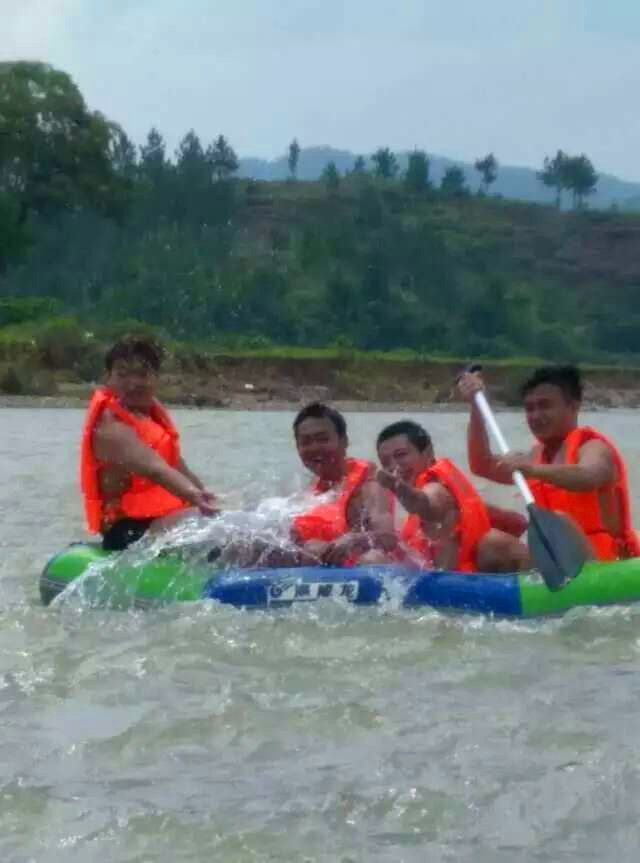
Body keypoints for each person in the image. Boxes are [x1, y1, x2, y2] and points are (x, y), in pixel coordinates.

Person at [457, 364, 640, 561]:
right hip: (556, 560)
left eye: (545, 406)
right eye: (530, 408)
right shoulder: (534, 457)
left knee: (561, 522)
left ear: (573, 406)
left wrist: (532, 470)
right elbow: (481, 464)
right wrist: (476, 407)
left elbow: (590, 475)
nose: (536, 416)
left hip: (605, 562)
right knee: (492, 544)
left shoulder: (592, 446)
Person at [80, 334, 218, 551]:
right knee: (214, 529)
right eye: (122, 374)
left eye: (142, 374)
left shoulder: (149, 418)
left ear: (155, 378)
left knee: (232, 525)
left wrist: (210, 501)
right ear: (108, 378)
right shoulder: (109, 427)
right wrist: (194, 497)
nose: (133, 383)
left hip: (159, 520)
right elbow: (155, 469)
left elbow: (177, 467)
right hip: (125, 530)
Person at [376, 420, 528, 572]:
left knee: (493, 543)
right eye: (385, 462)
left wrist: (401, 489)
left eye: (401, 455)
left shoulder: (435, 489)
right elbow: (519, 522)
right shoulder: (457, 502)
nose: (393, 466)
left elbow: (425, 503)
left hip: (519, 579)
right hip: (463, 576)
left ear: (428, 452)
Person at [291, 402, 397, 565]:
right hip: (324, 570)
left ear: (344, 442)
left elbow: (389, 538)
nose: (314, 448)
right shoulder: (315, 487)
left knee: (373, 559)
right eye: (306, 442)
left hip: (368, 568)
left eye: (323, 439)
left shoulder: (369, 485)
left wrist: (352, 540)